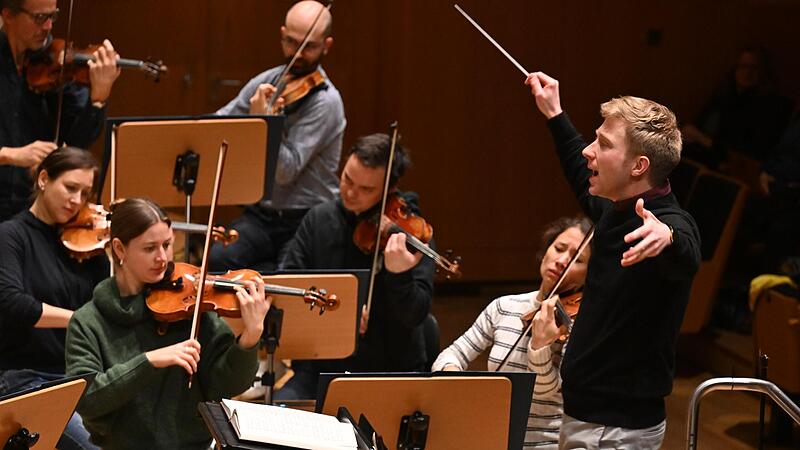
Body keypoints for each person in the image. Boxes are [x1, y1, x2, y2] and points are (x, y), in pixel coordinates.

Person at [525, 72, 702, 449]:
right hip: (588, 418)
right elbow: (579, 170)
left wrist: (666, 239)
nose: (589, 150)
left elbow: (686, 253)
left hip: (614, 431)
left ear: (638, 166)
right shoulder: (616, 207)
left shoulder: (664, 221)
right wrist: (555, 114)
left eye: (603, 144)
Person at [65, 198, 271, 450]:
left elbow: (225, 385)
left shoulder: (190, 307)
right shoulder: (88, 322)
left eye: (167, 244)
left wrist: (250, 337)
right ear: (119, 249)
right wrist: (149, 361)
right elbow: (86, 400)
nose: (162, 258)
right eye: (149, 248)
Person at [275, 132, 435, 400]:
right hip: (322, 369)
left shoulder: (410, 236)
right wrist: (335, 313)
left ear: (390, 189)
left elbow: (415, 316)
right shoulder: (319, 220)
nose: (350, 192)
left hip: (390, 372)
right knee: (280, 414)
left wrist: (399, 275)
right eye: (348, 178)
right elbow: (286, 286)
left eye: (366, 189)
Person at [433, 216, 592, 449]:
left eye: (577, 260)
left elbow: (547, 392)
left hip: (546, 444)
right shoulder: (504, 306)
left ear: (590, 273)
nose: (562, 261)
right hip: (494, 438)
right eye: (558, 248)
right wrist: (455, 378)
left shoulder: (578, 325)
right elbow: (450, 355)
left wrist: (539, 347)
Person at [211, 0, 346, 272]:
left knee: (286, 282)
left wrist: (264, 122)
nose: (296, 54)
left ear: (326, 46)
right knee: (217, 260)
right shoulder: (270, 80)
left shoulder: (326, 102)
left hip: (306, 218)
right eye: (291, 42)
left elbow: (286, 171)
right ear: (282, 34)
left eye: (308, 46)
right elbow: (216, 124)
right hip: (262, 215)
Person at [0, 146, 109, 450]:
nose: (77, 201)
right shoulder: (11, 235)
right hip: (27, 378)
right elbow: (11, 303)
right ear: (44, 179)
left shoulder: (85, 247)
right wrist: (78, 319)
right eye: (71, 188)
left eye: (85, 193)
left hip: (80, 376)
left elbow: (108, 304)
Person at [0, 0, 120, 221]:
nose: (47, 27)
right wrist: (9, 155)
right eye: (39, 18)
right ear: (8, 15)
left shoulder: (56, 66)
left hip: (34, 211)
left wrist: (99, 97)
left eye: (52, 16)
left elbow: (77, 140)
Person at [681, 46, 792, 169]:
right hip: (702, 151)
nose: (747, 72)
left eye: (753, 68)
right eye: (743, 66)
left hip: (730, 163)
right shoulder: (724, 94)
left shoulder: (770, 106)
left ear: (762, 72)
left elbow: (746, 151)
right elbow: (699, 123)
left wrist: (703, 139)